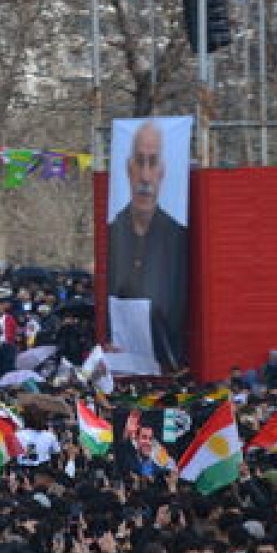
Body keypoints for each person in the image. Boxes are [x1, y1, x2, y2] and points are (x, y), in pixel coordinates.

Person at [105, 120, 189, 371]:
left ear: (162, 171)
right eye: (139, 162)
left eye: (152, 163)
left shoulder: (177, 237)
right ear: (129, 169)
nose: (145, 176)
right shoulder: (113, 232)